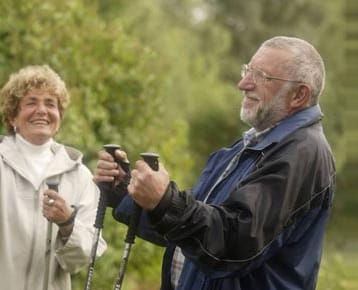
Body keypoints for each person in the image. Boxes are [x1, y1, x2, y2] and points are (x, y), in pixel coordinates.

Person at [95, 36, 335, 290]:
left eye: (262, 76)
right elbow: (189, 235)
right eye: (247, 70)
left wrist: (166, 201)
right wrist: (125, 190)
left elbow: (233, 244)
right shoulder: (243, 149)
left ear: (299, 94)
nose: (243, 84)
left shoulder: (302, 153)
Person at [0, 65, 107, 290]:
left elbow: (80, 259)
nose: (42, 110)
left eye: (50, 104)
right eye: (31, 102)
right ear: (12, 117)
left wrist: (68, 223)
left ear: (59, 117)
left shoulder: (79, 175)